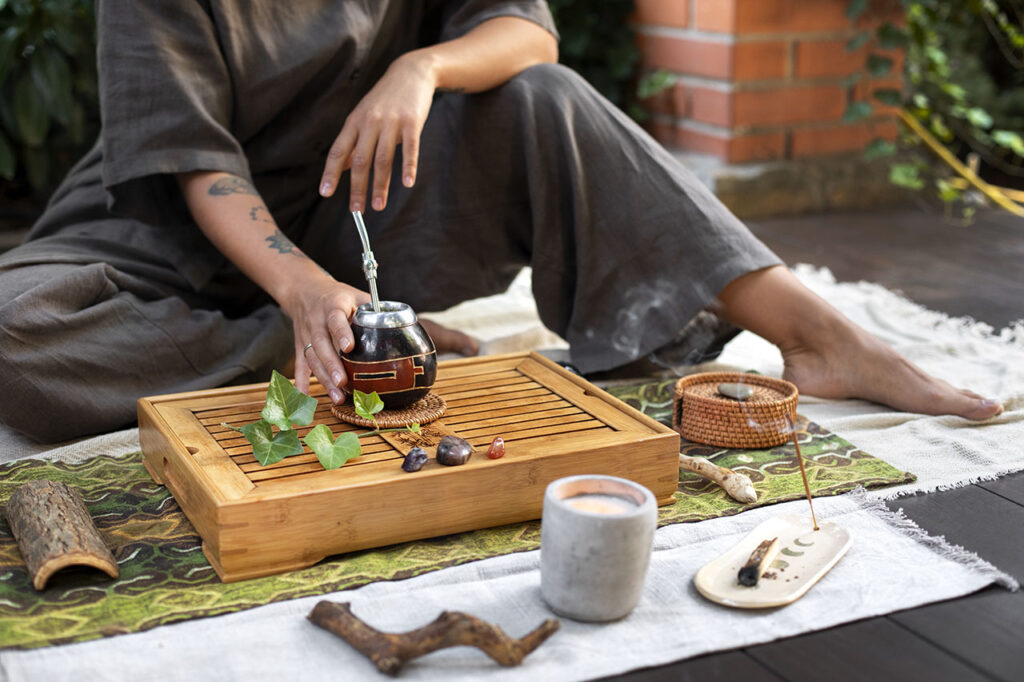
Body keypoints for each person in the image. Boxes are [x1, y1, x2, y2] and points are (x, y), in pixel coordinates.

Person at [0, 0, 1002, 443]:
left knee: (544, 95)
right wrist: (305, 295)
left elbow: (525, 31)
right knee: (13, 333)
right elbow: (196, 165)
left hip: (355, 216)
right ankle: (350, 344)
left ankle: (819, 337)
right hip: (159, 241)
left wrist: (422, 65)